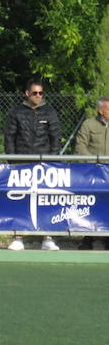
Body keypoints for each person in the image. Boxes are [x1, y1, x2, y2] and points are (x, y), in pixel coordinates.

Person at [3, 78, 62, 251]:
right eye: (34, 93)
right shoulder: (16, 112)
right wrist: (13, 160)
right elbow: (9, 137)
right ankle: (18, 237)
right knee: (21, 200)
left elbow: (55, 138)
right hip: (21, 164)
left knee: (46, 200)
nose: (38, 96)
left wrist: (51, 160)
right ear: (27, 93)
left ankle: (47, 238)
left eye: (41, 93)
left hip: (45, 166)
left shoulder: (50, 112)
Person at [73, 97, 109, 249]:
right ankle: (88, 238)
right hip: (93, 174)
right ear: (101, 111)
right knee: (92, 205)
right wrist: (93, 164)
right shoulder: (88, 125)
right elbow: (80, 146)